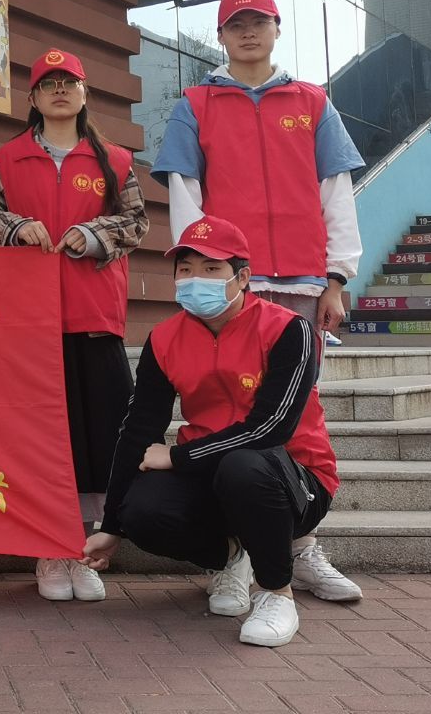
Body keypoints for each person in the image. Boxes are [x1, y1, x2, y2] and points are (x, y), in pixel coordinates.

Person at [150, 0, 364, 601]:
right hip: (231, 283)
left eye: (259, 22)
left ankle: (300, 547)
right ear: (220, 35)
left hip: (301, 280)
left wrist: (336, 277)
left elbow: (336, 189)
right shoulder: (196, 103)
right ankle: (238, 554)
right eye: (236, 24)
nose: (248, 32)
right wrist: (199, 273)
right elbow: (185, 192)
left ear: (276, 29)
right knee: (224, 406)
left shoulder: (312, 101)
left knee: (296, 411)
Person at [82, 216, 340, 648]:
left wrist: (178, 457)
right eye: (185, 269)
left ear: (242, 277)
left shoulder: (288, 329)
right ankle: (231, 557)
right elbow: (139, 429)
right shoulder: (165, 339)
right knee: (142, 511)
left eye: (211, 268)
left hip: (293, 477)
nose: (194, 279)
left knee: (245, 465)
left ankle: (276, 594)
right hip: (212, 474)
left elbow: (271, 428)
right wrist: (113, 524)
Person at [0, 49, 148, 603]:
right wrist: (15, 227)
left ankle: (85, 550)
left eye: (68, 82)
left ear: (84, 93)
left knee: (97, 440)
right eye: (47, 83)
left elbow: (137, 222)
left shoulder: (113, 160)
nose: (59, 90)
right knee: (42, 440)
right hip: (28, 321)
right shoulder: (8, 159)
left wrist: (94, 234)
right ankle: (48, 550)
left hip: (93, 317)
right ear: (32, 97)